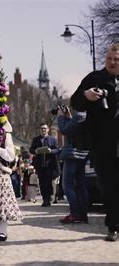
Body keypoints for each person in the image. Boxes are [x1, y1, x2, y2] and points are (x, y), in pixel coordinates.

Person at [70, 43, 119, 241]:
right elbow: (75, 102)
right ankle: (113, 226)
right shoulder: (94, 78)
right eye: (109, 59)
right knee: (108, 185)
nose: (112, 62)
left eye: (116, 60)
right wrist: (86, 95)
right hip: (102, 142)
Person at [57, 107, 89, 224]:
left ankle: (74, 213)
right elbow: (74, 130)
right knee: (80, 185)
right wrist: (69, 117)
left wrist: (60, 116)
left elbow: (64, 130)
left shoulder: (79, 115)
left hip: (72, 155)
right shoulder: (87, 116)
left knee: (67, 185)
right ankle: (83, 214)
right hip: (83, 154)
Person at [29, 124, 60, 207]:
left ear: (48, 129)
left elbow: (57, 149)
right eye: (42, 128)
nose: (43, 130)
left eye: (45, 128)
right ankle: (44, 198)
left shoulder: (53, 139)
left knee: (49, 182)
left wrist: (51, 151)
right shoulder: (36, 139)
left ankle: (48, 198)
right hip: (40, 165)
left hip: (50, 164)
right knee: (42, 183)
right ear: (40, 130)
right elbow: (31, 149)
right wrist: (35, 151)